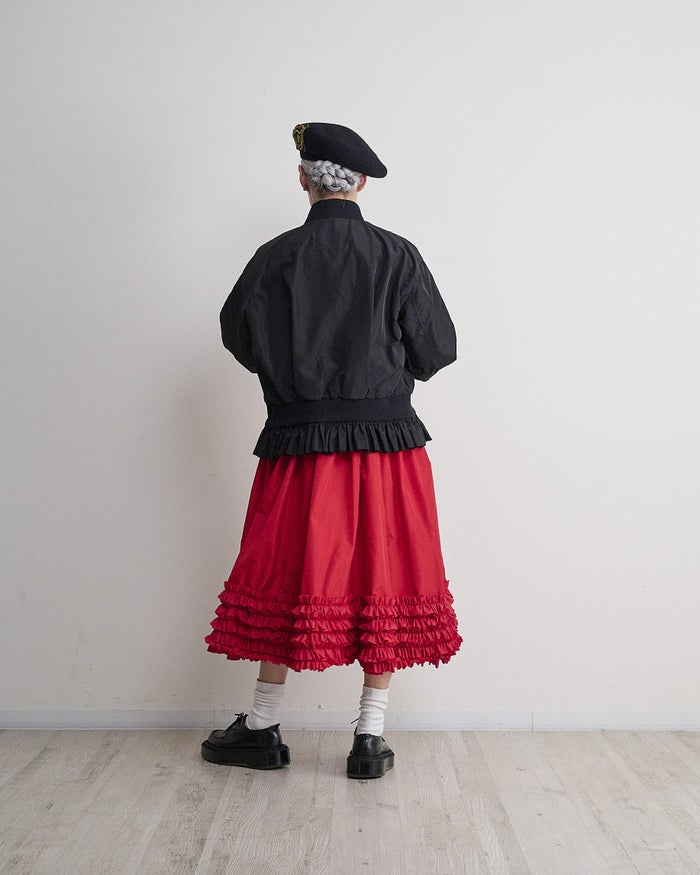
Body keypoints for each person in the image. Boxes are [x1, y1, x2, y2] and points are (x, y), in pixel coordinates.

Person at [201, 122, 461, 779]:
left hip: (299, 441)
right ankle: (369, 736)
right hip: (386, 446)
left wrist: (294, 376)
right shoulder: (398, 255)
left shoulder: (274, 257)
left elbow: (238, 335)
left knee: (284, 569)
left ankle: (262, 725)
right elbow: (437, 350)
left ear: (303, 179)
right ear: (361, 183)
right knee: (385, 573)